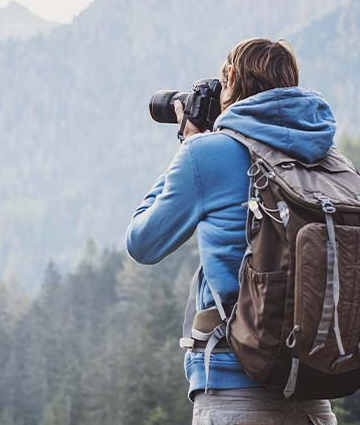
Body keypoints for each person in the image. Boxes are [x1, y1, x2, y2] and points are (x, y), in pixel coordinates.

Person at [125, 38, 338, 425]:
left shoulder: (208, 153)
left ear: (231, 78)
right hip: (315, 394)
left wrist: (190, 145)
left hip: (235, 391)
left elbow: (142, 242)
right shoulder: (325, 155)